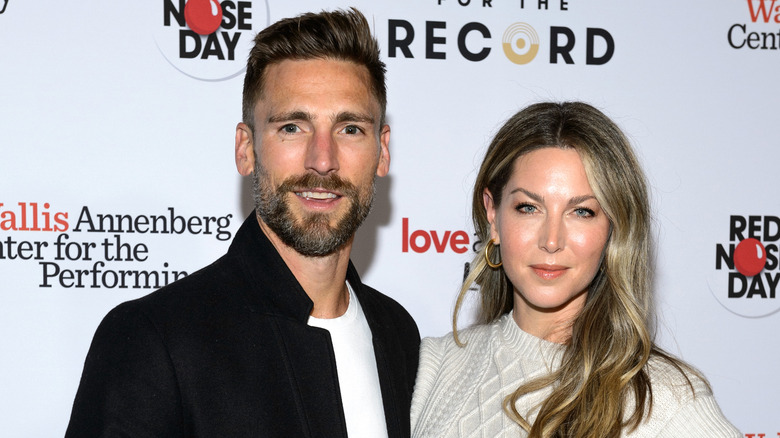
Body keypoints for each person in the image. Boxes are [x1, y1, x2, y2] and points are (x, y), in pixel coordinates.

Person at [65, 8, 420, 438]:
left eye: (349, 129)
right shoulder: (155, 341)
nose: (322, 160)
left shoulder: (399, 335)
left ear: (382, 151)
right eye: (292, 127)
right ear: (246, 149)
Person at [410, 102, 740, 437]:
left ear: (615, 228)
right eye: (528, 208)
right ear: (493, 216)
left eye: (581, 211)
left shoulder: (665, 401)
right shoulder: (436, 365)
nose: (551, 240)